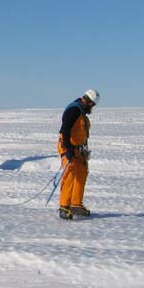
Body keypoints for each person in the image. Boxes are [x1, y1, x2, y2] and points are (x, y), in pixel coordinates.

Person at [57, 89, 100, 219]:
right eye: (92, 105)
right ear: (88, 101)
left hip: (79, 149)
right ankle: (64, 207)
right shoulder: (74, 110)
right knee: (69, 174)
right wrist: (67, 149)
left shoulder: (81, 111)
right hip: (68, 147)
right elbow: (65, 129)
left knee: (81, 172)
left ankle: (76, 204)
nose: (92, 108)